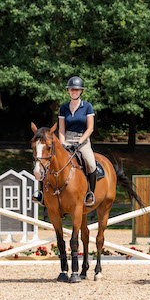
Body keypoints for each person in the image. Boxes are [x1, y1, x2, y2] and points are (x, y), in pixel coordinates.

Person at [33, 76, 98, 206]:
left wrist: (79, 142)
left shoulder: (87, 107)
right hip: (66, 139)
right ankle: (40, 193)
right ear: (68, 91)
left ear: (81, 91)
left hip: (83, 141)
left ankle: (90, 193)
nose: (74, 92)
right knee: (47, 160)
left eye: (76, 90)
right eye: (72, 89)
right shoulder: (63, 108)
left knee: (91, 164)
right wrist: (62, 144)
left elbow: (90, 128)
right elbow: (61, 129)